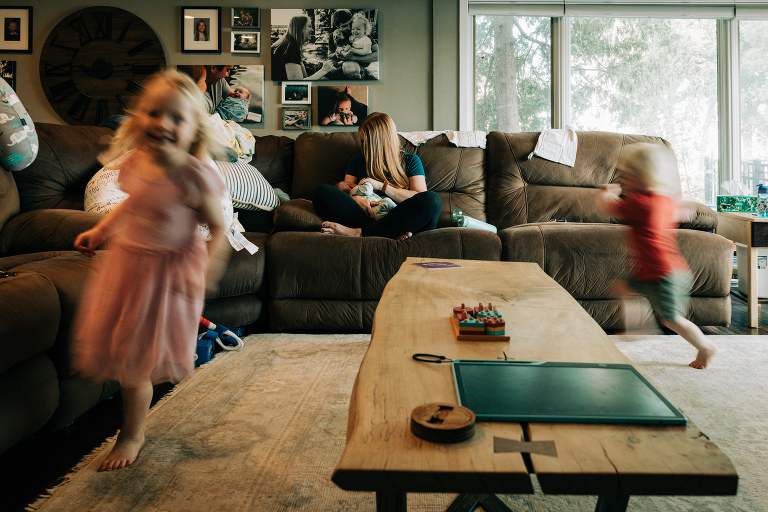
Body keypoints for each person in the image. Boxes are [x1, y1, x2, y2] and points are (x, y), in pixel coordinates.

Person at [71, 69, 230, 471]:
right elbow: (132, 203)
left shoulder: (193, 177)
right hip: (127, 266)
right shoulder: (137, 162)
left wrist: (204, 272)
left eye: (177, 118)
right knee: (120, 346)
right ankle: (129, 416)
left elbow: (219, 228)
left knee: (135, 361)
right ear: (138, 117)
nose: (163, 124)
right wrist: (100, 229)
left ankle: (131, 433)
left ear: (195, 129)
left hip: (166, 275)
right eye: (154, 113)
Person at [599, 142, 717, 369]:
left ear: (644, 177)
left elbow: (607, 209)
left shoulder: (640, 204)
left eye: (628, 176)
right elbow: (679, 211)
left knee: (671, 319)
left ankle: (704, 346)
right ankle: (638, 328)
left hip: (662, 274)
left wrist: (606, 194)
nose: (623, 180)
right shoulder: (662, 201)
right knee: (621, 287)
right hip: (655, 271)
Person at [312, 112, 441, 240]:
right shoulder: (357, 162)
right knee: (321, 192)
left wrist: (382, 186)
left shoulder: (411, 160)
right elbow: (345, 190)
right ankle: (389, 234)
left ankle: (359, 233)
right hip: (366, 216)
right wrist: (355, 199)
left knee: (432, 200)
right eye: (362, 141)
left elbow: (420, 196)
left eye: (366, 142)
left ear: (379, 142)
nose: (363, 146)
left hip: (399, 218)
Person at [270, 15, 336, 81]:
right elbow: (297, 84)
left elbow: (304, 77)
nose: (312, 30)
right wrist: (324, 70)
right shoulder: (291, 48)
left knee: (324, 79)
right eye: (309, 26)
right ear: (300, 28)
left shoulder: (290, 44)